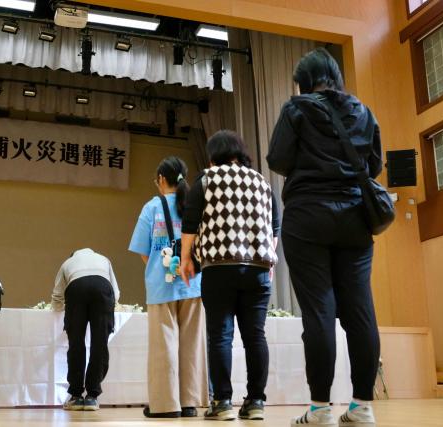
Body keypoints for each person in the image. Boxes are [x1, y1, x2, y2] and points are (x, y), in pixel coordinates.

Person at [266, 47, 381, 426]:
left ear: (304, 80)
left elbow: (278, 160)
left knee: (320, 312)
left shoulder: (296, 109)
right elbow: (375, 165)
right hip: (354, 218)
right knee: (360, 312)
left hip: (307, 217)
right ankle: (362, 406)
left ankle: (320, 411)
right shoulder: (362, 112)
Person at [180, 131, 280, 421]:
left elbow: (190, 223)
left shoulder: (206, 180)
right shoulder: (261, 182)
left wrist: (186, 258)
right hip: (258, 269)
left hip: (219, 267)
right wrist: (266, 258)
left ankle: (222, 402)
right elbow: (275, 227)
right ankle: (256, 401)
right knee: (255, 336)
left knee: (220, 336)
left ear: (213, 155)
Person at [129, 156, 208, 418]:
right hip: (193, 283)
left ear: (161, 180)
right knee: (192, 344)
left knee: (164, 344)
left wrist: (159, 267)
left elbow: (142, 251)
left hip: (161, 285)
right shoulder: (197, 204)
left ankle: (166, 404)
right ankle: (189, 402)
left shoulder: (151, 207)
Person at [51, 248, 120, 411]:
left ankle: (75, 396)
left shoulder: (67, 263)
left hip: (76, 288)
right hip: (103, 289)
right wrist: (110, 305)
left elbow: (57, 293)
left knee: (76, 344)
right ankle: (92, 397)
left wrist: (58, 307)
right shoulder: (104, 258)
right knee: (99, 344)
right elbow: (115, 292)